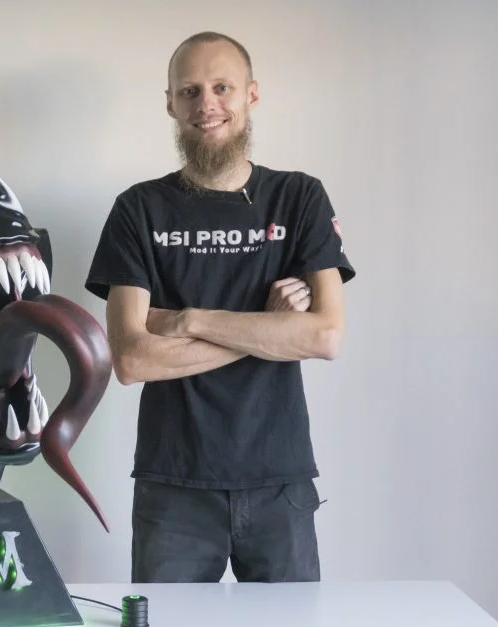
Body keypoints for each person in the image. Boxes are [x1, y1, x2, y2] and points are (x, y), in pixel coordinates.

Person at [83, 31, 355, 583]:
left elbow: (324, 336)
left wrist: (188, 320)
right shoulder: (138, 209)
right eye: (189, 91)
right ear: (170, 104)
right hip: (173, 485)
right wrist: (272, 329)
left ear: (251, 94)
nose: (206, 104)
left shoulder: (300, 198)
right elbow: (132, 360)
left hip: (280, 481)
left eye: (221, 87)